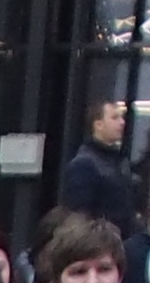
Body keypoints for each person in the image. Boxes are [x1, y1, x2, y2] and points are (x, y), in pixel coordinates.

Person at [59, 96, 143, 240]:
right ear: (98, 125)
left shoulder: (120, 162)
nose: (122, 123)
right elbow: (78, 217)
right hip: (99, 245)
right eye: (114, 118)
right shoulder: (84, 164)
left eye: (121, 117)